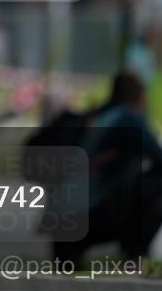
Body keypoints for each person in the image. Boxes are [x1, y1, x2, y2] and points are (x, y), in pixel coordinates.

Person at [51, 70, 162, 265]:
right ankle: (135, 253)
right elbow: (159, 157)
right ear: (140, 96)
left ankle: (74, 251)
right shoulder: (127, 120)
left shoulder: (99, 115)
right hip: (85, 217)